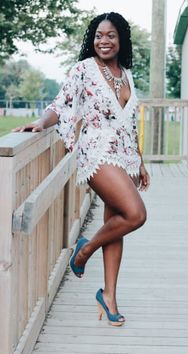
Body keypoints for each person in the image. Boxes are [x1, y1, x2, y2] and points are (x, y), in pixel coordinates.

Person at [13, 12, 150, 326]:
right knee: (135, 215)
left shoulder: (126, 73)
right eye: (99, 35)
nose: (103, 41)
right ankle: (83, 250)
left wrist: (140, 161)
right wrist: (39, 123)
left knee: (117, 223)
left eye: (110, 35)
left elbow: (129, 123)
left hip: (126, 156)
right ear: (93, 39)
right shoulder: (84, 70)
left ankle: (109, 296)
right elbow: (59, 105)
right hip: (99, 153)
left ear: (121, 39)